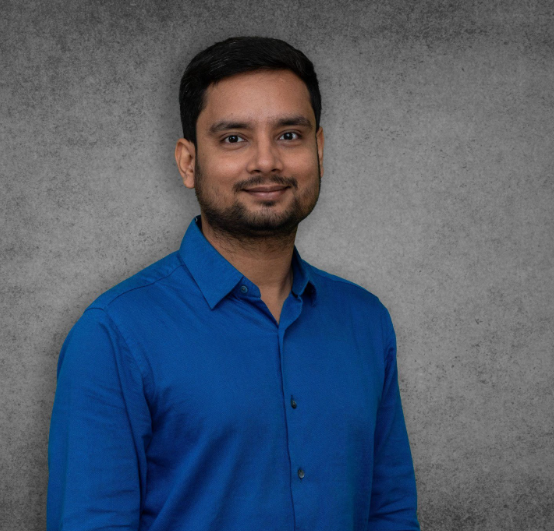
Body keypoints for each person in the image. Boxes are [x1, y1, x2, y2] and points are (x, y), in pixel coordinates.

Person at [47, 36, 420, 531]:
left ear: (319, 149)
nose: (266, 161)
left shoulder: (366, 320)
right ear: (188, 162)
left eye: (289, 135)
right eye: (233, 138)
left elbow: (390, 513)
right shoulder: (113, 334)